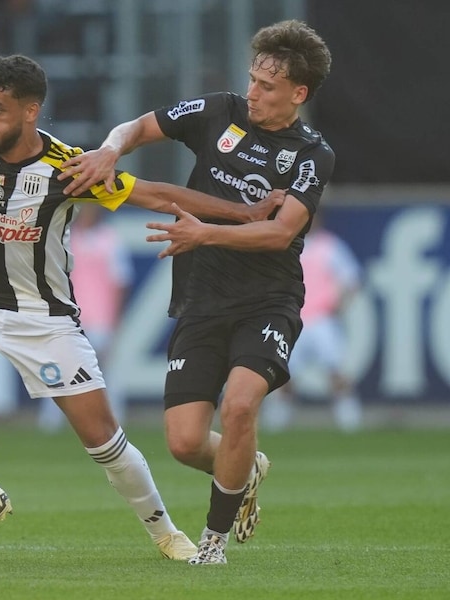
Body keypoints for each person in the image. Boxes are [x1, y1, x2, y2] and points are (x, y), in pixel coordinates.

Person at [0, 54, 283, 558]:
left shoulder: (68, 168)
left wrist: (244, 211)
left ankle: (166, 533)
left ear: (31, 110)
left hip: (44, 321)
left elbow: (156, 194)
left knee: (104, 443)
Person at [59, 20, 334, 565]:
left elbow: (281, 232)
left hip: (268, 301)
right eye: (252, 79)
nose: (252, 92)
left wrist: (203, 232)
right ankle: (245, 467)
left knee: (238, 405)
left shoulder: (311, 154)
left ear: (298, 94)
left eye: (267, 86)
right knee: (184, 442)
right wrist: (110, 150)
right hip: (201, 300)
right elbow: (136, 127)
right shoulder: (220, 112)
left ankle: (214, 541)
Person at [37, 202, 134, 432]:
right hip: (70, 314)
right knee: (59, 365)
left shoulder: (110, 239)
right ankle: (51, 419)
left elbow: (120, 282)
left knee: (106, 368)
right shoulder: (66, 238)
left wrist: (115, 320)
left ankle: (115, 418)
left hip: (101, 316)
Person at [262, 212, 363, 432]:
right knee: (283, 375)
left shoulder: (330, 246)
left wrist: (337, 306)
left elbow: (351, 278)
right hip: (292, 319)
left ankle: (350, 420)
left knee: (335, 371)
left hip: (321, 320)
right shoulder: (286, 244)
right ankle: (277, 423)